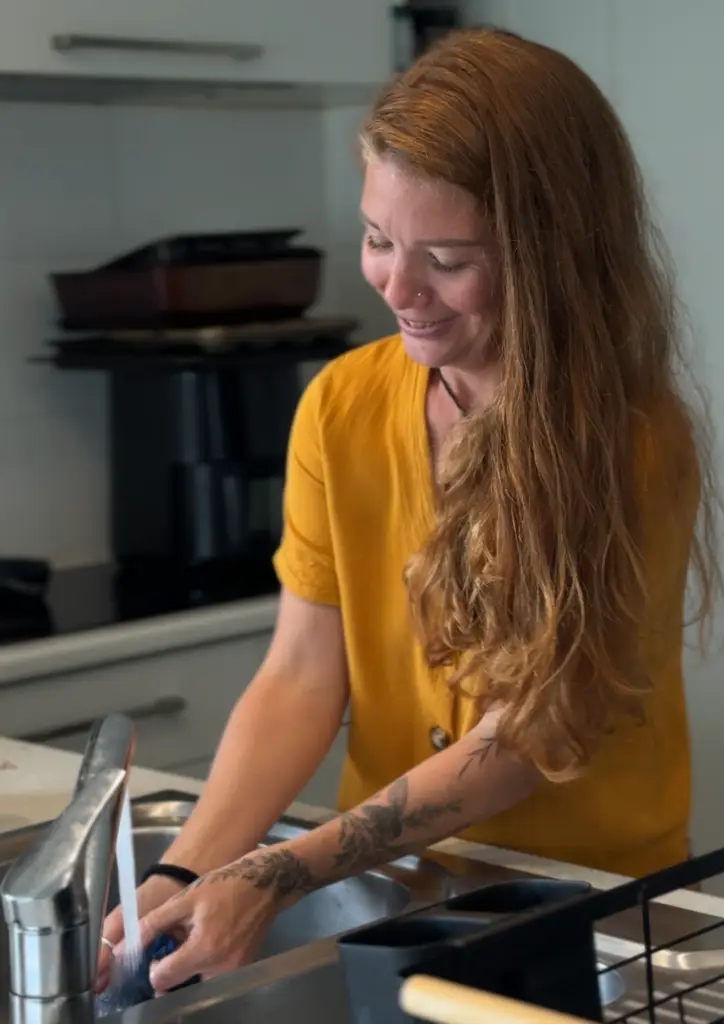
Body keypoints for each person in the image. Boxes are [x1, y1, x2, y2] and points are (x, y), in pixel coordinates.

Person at [98, 26, 721, 994]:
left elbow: (525, 740)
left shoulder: (633, 441)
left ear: (553, 255)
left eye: (446, 256)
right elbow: (304, 673)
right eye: (379, 239)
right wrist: (184, 872)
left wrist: (276, 869)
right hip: (396, 881)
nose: (396, 284)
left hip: (579, 898)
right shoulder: (343, 402)